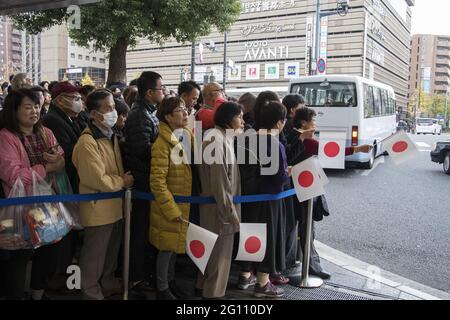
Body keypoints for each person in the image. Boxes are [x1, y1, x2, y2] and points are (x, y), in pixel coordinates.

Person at [290, 107, 373, 280]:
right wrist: (358, 149)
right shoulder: (307, 140)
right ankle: (312, 266)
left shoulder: (292, 135)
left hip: (296, 185)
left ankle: (302, 262)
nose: (315, 123)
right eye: (313, 120)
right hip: (305, 186)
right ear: (303, 122)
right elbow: (332, 151)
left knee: (299, 226)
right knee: (307, 228)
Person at [0, 89, 66, 300]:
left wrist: (58, 161)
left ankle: (38, 292)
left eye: (36, 106)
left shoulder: (45, 132)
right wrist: (46, 168)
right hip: (19, 207)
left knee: (48, 252)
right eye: (28, 107)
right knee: (19, 255)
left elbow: (61, 158)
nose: (34, 111)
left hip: (47, 203)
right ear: (14, 110)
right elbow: (13, 176)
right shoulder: (6, 137)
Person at [72, 90, 134, 300]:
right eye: (107, 108)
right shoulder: (87, 142)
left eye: (113, 107)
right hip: (98, 208)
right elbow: (96, 179)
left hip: (115, 206)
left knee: (110, 254)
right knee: (94, 256)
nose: (113, 112)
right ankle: (90, 291)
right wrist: (123, 182)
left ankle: (107, 284)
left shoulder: (109, 135)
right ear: (94, 114)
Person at [237, 99, 290, 298]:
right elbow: (279, 178)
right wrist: (287, 174)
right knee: (268, 238)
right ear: (278, 123)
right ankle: (262, 284)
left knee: (250, 235)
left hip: (248, 198)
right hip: (269, 199)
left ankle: (244, 276)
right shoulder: (275, 144)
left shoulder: (246, 139)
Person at [196, 102, 243, 299]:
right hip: (219, 211)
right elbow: (220, 183)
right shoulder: (217, 141)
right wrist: (230, 213)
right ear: (228, 119)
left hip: (217, 208)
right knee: (218, 261)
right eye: (239, 116)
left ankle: (205, 289)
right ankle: (212, 295)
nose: (242, 121)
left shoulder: (221, 138)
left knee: (212, 258)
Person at [123, 71, 164, 296]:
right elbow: (142, 149)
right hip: (142, 181)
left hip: (148, 178)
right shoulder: (140, 115)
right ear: (150, 92)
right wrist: (165, 153)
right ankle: (136, 277)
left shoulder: (149, 113)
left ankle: (142, 273)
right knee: (139, 232)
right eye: (161, 88)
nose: (164, 92)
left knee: (146, 229)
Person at [149, 96, 193, 300]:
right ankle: (162, 287)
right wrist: (171, 209)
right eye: (179, 110)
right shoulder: (161, 143)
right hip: (170, 205)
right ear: (167, 116)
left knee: (175, 245)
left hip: (183, 201)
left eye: (185, 109)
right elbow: (157, 182)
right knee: (166, 248)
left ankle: (171, 281)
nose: (185, 113)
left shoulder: (185, 134)